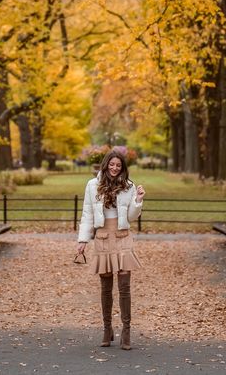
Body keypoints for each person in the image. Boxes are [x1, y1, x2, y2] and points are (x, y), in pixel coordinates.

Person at [77, 149, 145, 350]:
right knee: (106, 287)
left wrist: (138, 200)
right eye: (112, 164)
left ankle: (126, 330)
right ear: (106, 164)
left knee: (124, 286)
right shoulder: (92, 185)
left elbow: (132, 217)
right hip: (103, 237)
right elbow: (87, 213)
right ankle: (107, 329)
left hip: (123, 236)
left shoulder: (129, 186)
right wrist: (82, 240)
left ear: (122, 167)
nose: (115, 168)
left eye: (119, 165)